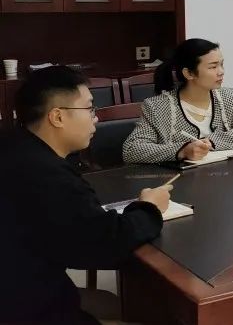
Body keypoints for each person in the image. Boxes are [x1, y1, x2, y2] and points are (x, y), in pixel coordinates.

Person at [0, 66, 170, 324]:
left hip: (23, 290)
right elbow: (106, 245)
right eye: (90, 108)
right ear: (57, 117)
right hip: (31, 310)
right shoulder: (47, 176)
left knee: (111, 303)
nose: (96, 118)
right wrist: (149, 207)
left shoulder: (14, 147)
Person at [123, 38, 233, 164]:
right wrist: (182, 151)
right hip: (180, 181)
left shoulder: (229, 97)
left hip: (224, 177)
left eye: (221, 64)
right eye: (213, 67)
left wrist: (211, 142)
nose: (221, 71)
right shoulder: (158, 106)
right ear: (189, 73)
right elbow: (132, 149)